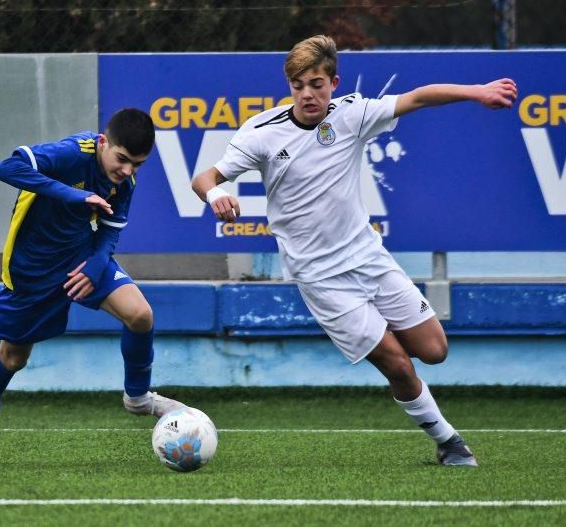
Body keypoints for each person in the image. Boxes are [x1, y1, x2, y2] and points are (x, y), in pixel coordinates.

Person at [191, 35, 518, 467]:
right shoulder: (262, 133)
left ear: (333, 82)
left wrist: (477, 93)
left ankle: (387, 339)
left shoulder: (353, 114)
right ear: (288, 85)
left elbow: (417, 98)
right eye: (298, 85)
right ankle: (448, 441)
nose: (308, 94)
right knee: (398, 364)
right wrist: (215, 195)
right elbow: (204, 177)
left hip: (369, 259)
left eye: (317, 83)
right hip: (321, 278)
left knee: (435, 349)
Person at [0, 108, 184, 465]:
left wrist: (96, 265)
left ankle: (138, 397)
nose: (128, 170)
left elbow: (112, 229)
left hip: (80, 257)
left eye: (138, 164)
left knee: (140, 315)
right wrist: (71, 194)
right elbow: (5, 168)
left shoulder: (124, 181)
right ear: (103, 143)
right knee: (14, 357)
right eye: (123, 159)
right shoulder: (70, 154)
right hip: (32, 266)